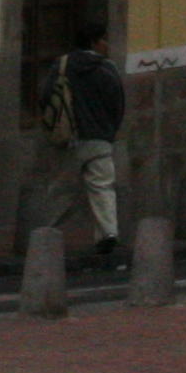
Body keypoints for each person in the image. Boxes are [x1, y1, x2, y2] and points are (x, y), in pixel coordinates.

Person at [49, 21, 127, 262]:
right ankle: (107, 233)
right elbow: (118, 102)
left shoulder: (62, 66)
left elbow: (47, 96)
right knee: (102, 185)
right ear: (93, 42)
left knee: (62, 188)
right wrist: (109, 129)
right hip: (100, 137)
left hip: (70, 137)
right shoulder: (108, 69)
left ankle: (45, 230)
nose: (107, 44)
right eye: (103, 39)